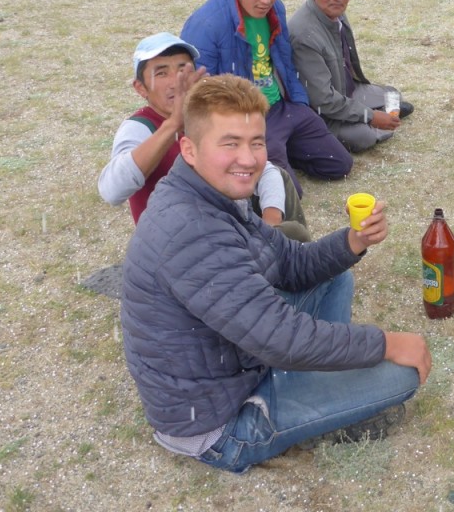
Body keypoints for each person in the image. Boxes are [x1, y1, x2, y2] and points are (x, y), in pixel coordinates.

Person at [121, 74, 431, 473]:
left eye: (256, 142)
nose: (249, 159)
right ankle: (309, 404)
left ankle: (315, 385)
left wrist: (353, 241)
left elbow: (290, 262)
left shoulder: (211, 192)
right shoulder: (192, 231)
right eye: (229, 143)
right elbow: (281, 337)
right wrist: (384, 343)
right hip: (220, 421)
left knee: (333, 277)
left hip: (233, 359)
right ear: (190, 149)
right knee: (400, 374)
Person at [97, 32, 309, 240]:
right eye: (161, 73)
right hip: (178, 239)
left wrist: (271, 219)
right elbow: (112, 191)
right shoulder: (140, 127)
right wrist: (172, 125)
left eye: (183, 70)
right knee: (296, 237)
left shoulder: (205, 115)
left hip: (223, 221)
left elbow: (264, 168)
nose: (175, 82)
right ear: (140, 88)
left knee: (280, 183)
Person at [180, 0, 353, 195]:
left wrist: (301, 105)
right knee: (289, 195)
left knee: (339, 165)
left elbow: (285, 61)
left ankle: (281, 150)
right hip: (248, 118)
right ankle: (268, 156)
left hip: (283, 107)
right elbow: (201, 95)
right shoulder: (207, 24)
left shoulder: (276, 9)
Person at [288, 0, 413, 153]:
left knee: (392, 95)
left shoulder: (336, 12)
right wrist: (371, 117)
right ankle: (374, 119)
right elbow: (323, 101)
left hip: (347, 90)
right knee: (362, 137)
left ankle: (375, 113)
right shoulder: (304, 35)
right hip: (322, 111)